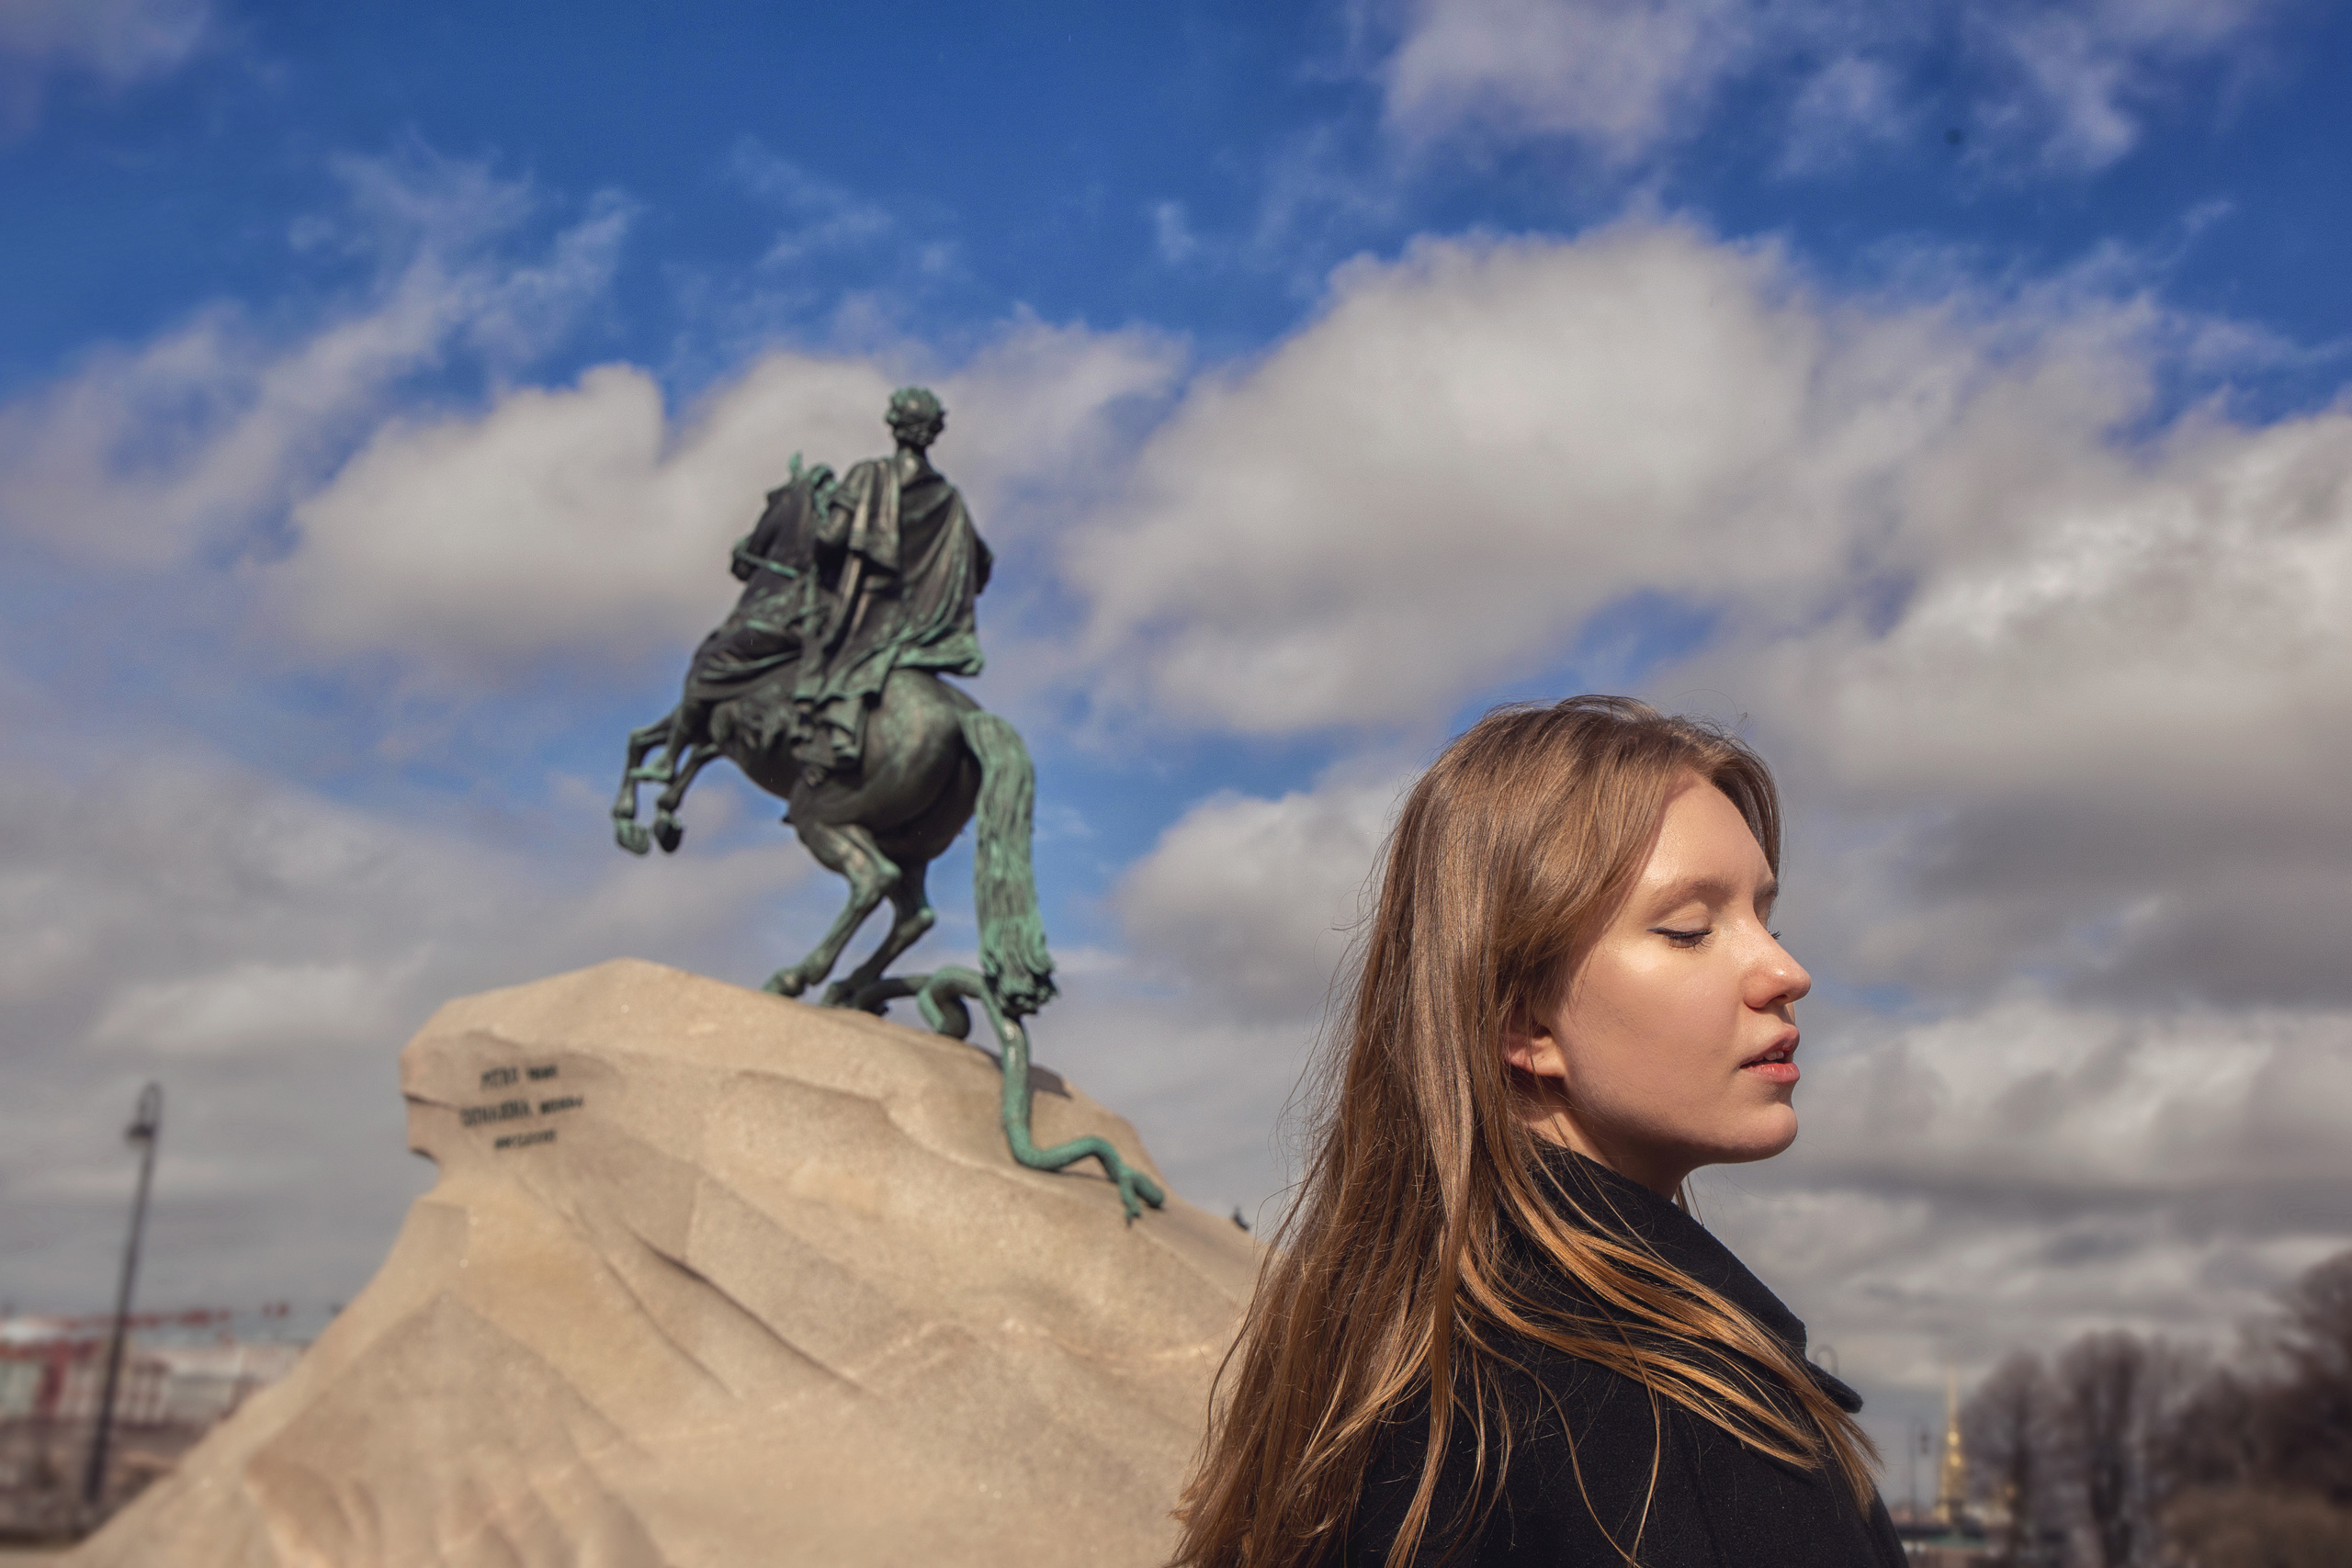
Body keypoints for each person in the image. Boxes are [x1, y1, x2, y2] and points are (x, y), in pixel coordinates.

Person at [1173, 696, 1905, 1568]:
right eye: (1690, 931)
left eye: (1766, 919)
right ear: (1521, 1019)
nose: (1786, 971)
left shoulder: (1366, 1384)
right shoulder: (1682, 1431)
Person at [789, 385, 992, 773]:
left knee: (807, 637)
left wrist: (821, 510)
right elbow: (980, 566)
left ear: (894, 425)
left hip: (867, 621)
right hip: (924, 633)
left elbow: (828, 539)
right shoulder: (951, 499)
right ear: (933, 431)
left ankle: (818, 734)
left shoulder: (869, 475)